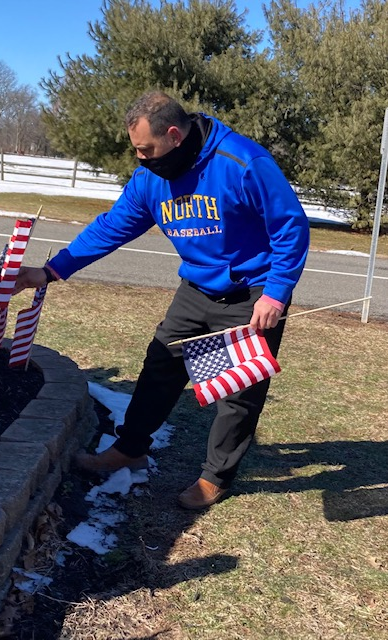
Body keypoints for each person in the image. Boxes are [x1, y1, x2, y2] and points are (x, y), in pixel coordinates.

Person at [15, 91, 310, 510]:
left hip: (253, 292)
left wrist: (277, 292)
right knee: (160, 366)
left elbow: (291, 227)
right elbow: (112, 227)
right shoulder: (151, 178)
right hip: (196, 288)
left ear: (173, 135)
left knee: (238, 393)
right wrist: (50, 271)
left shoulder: (243, 162)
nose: (141, 159)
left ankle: (215, 477)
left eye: (145, 150)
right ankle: (130, 447)